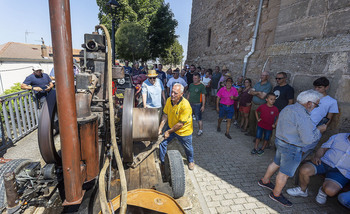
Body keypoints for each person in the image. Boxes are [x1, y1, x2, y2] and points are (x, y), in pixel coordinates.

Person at [258, 90, 327, 207]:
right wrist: (318, 130)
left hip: (280, 141)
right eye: (316, 104)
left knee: (276, 163)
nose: (316, 107)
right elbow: (308, 140)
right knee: (284, 173)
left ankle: (264, 181)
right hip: (292, 147)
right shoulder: (303, 116)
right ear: (309, 103)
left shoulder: (288, 107)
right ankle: (276, 194)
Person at [286, 133, 350, 205]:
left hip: (342, 172)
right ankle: (302, 190)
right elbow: (323, 148)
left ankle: (323, 191)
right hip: (325, 162)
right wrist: (317, 156)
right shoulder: (339, 136)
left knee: (330, 191)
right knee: (305, 170)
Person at [158, 83, 195, 170]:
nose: (172, 95)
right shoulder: (168, 100)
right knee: (162, 143)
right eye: (172, 92)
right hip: (171, 127)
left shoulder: (185, 105)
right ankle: (163, 162)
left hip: (184, 131)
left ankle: (191, 161)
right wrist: (160, 129)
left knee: (188, 148)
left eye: (175, 93)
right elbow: (165, 115)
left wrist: (168, 132)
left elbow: (180, 124)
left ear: (181, 94)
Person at [248, 71, 272, 136]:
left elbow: (262, 96)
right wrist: (259, 92)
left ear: (267, 77)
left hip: (261, 106)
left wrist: (255, 92)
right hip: (254, 104)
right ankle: (251, 132)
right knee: (251, 119)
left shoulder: (268, 85)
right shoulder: (258, 83)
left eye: (263, 75)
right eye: (261, 75)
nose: (261, 76)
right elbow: (250, 92)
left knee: (258, 120)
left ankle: (257, 135)